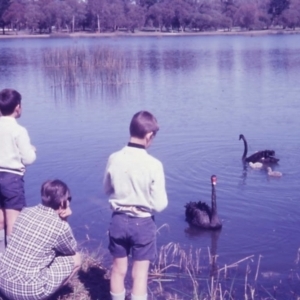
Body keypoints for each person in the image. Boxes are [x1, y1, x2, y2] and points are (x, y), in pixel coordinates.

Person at [103, 111, 168, 300]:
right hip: (143, 224)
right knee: (139, 275)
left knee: (118, 270)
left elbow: (106, 188)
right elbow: (160, 204)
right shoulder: (154, 164)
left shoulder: (114, 158)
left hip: (118, 220)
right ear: (149, 135)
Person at [0, 179, 82, 300]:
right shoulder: (59, 226)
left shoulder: (25, 212)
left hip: (3, 282)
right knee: (76, 259)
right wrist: (65, 220)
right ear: (63, 203)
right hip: (28, 291)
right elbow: (71, 249)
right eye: (68, 199)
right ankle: (49, 296)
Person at [0, 88, 36, 254]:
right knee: (13, 221)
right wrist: (31, 150)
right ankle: (12, 262)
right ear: (17, 107)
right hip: (11, 179)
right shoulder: (19, 130)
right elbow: (28, 159)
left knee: (0, 220)